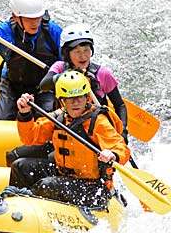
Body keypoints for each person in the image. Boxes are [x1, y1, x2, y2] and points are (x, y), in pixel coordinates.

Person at [9, 71, 130, 210]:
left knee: (47, 185)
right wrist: (25, 114)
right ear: (62, 100)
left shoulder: (98, 122)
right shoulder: (59, 118)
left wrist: (113, 154)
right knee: (20, 167)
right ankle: (15, 208)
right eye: (70, 98)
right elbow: (30, 138)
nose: (76, 103)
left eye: (80, 98)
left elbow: (121, 147)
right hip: (65, 175)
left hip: (93, 187)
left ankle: (33, 212)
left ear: (87, 98)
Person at [39, 23, 129, 142]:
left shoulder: (102, 74)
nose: (83, 56)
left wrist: (123, 132)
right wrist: (68, 75)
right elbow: (44, 85)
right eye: (77, 52)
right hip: (64, 129)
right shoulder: (60, 68)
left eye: (86, 50)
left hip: (93, 133)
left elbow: (120, 105)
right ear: (67, 53)